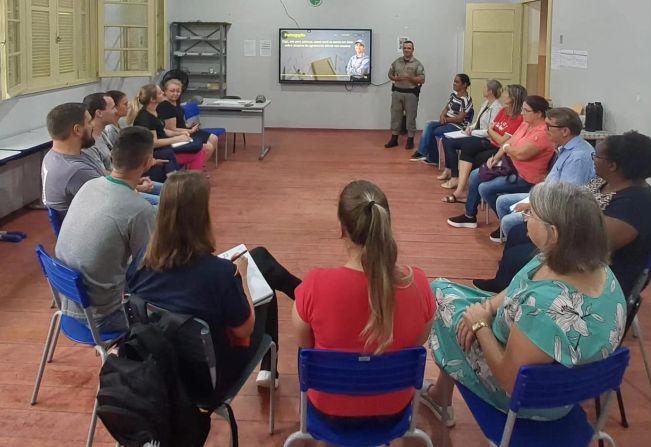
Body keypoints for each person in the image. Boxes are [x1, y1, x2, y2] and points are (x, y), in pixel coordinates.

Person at [421, 182, 626, 426]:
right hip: (564, 384)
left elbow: (510, 379)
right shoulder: (592, 267)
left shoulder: (544, 308)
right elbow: (520, 286)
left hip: (530, 400)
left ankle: (439, 397)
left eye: (531, 214)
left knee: (440, 296)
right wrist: (487, 309)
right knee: (453, 300)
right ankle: (441, 394)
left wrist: (480, 326)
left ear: (554, 232)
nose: (524, 217)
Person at [126, 171, 302, 397]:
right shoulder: (220, 274)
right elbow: (244, 329)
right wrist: (243, 279)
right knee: (262, 283)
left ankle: (305, 297)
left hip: (161, 365)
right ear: (201, 217)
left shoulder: (142, 260)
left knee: (260, 258)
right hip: (210, 379)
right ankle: (271, 364)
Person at [293, 180, 435, 421]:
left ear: (342, 229)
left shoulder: (315, 284)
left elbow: (305, 345)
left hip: (328, 410)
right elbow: (417, 340)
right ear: (385, 226)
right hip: (394, 409)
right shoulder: (418, 284)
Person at [474, 131, 651, 298]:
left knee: (518, 257)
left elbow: (592, 245)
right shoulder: (604, 181)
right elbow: (572, 202)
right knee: (517, 232)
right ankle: (504, 287)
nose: (593, 160)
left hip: (595, 268)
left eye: (596, 156)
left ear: (612, 165)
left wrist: (547, 231)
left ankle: (514, 299)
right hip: (571, 238)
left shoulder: (635, 203)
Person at [55, 126, 157, 332]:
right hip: (103, 317)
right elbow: (149, 267)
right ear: (147, 162)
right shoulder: (139, 209)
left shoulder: (89, 185)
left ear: (113, 156)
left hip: (67, 302)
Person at [447, 95, 555, 229]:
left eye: (526, 111)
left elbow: (521, 154)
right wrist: (496, 157)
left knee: (485, 188)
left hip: (525, 177)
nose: (522, 113)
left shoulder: (543, 133)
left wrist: (506, 148)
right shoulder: (526, 123)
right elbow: (509, 142)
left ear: (539, 114)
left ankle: (507, 223)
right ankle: (470, 216)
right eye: (522, 109)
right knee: (475, 175)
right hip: (510, 166)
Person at [495, 107, 595, 240]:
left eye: (548, 126)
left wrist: (534, 205)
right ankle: (518, 241)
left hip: (557, 206)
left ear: (565, 131)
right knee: (502, 201)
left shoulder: (578, 157)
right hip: (546, 194)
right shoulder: (566, 146)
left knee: (508, 221)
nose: (544, 129)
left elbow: (566, 197)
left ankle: (530, 246)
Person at [441, 84, 526, 203]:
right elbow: (493, 132)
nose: (504, 94)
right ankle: (460, 189)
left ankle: (467, 192)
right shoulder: (503, 111)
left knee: (474, 158)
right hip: (491, 142)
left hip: (499, 149)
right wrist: (492, 132)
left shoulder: (519, 118)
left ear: (513, 98)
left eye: (506, 93)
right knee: (466, 148)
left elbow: (502, 140)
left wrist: (492, 131)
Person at [41, 103, 106, 219]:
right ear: (77, 130)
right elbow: (111, 201)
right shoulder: (76, 171)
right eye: (89, 122)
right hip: (91, 227)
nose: (93, 126)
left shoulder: (52, 156)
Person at [127, 84, 205, 176]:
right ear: (152, 99)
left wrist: (180, 134)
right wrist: (177, 139)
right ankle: (182, 180)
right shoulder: (145, 118)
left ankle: (192, 180)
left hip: (164, 147)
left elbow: (163, 131)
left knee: (199, 149)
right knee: (196, 152)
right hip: (155, 152)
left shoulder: (155, 112)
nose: (163, 93)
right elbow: (153, 143)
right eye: (160, 93)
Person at [438, 80, 504, 188]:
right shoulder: (486, 103)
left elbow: (490, 130)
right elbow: (478, 121)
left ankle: (455, 177)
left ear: (490, 91)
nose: (483, 89)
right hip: (475, 133)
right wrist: (470, 127)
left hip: (484, 138)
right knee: (446, 140)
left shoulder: (497, 108)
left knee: (453, 144)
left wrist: (473, 132)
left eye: (485, 88)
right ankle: (449, 170)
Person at [409, 74, 473, 164]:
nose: (454, 83)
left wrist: (446, 120)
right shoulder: (453, 95)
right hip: (447, 121)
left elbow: (460, 119)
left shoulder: (466, 100)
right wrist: (442, 116)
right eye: (454, 81)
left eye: (457, 82)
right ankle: (425, 154)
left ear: (464, 84)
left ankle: (430, 156)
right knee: (429, 124)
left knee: (431, 131)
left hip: (457, 126)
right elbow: (446, 108)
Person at [158, 78, 217, 162]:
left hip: (185, 130)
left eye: (178, 91)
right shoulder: (166, 106)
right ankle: (196, 168)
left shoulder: (176, 102)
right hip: (177, 134)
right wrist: (189, 131)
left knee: (213, 138)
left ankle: (200, 166)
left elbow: (179, 122)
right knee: (208, 147)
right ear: (165, 91)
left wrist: (188, 126)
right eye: (172, 91)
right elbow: (171, 129)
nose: (175, 94)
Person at [385, 41, 425, 150]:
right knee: (395, 116)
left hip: (411, 94)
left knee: (411, 118)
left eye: (409, 48)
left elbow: (422, 79)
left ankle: (410, 140)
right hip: (397, 93)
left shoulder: (417, 64)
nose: (407, 50)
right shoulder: (397, 62)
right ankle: (394, 139)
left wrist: (411, 78)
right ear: (403, 49)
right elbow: (390, 74)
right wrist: (395, 78)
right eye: (405, 48)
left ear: (413, 50)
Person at [82, 92, 117, 172]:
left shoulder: (103, 133)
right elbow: (102, 176)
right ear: (99, 113)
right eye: (113, 108)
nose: (116, 111)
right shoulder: (89, 146)